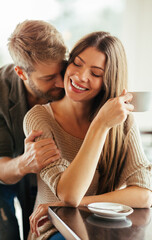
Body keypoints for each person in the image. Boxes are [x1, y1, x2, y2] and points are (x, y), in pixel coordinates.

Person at [23, 31, 152, 240]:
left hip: (101, 231)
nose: (81, 76)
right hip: (54, 231)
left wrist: (78, 203)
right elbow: (69, 194)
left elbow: (144, 194)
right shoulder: (39, 118)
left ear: (108, 81)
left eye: (95, 73)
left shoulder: (122, 121)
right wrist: (100, 125)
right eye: (77, 63)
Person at [0, 19, 67, 240]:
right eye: (48, 78)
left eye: (62, 70)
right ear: (21, 73)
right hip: (7, 176)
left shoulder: (71, 78)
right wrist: (25, 162)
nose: (61, 83)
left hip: (53, 180)